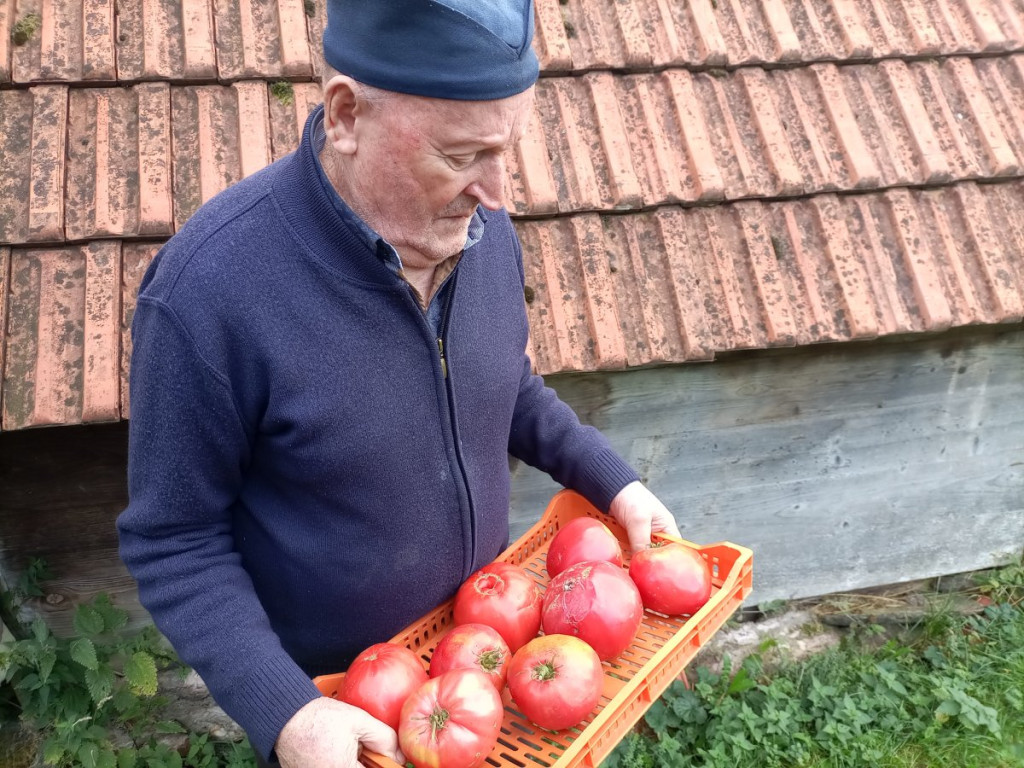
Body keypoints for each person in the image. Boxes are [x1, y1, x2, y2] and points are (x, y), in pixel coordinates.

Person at [116, 1, 681, 766]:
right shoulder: (207, 294)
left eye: (504, 150)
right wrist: (287, 713)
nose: (496, 193)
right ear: (346, 115)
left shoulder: (478, 228)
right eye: (462, 155)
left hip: (489, 668)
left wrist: (612, 482)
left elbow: (503, 384)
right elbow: (173, 540)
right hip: (348, 720)